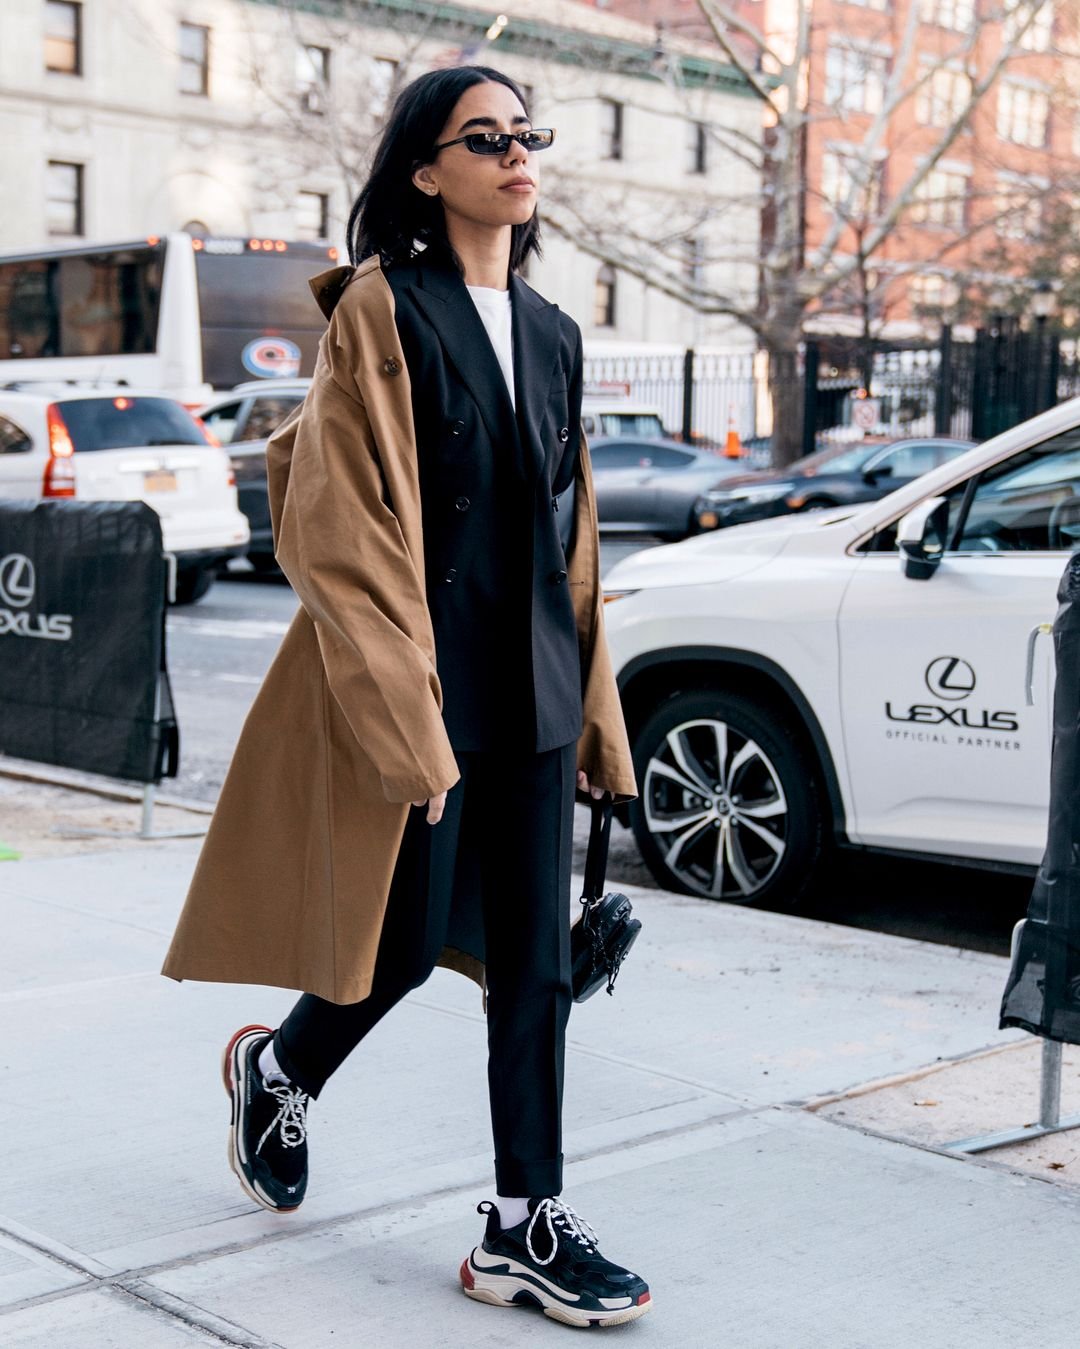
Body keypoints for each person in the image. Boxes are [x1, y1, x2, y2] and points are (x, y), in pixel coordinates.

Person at [162, 65, 651, 1329]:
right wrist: (403, 722)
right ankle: (279, 1067)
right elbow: (336, 528)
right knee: (396, 949)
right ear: (426, 172)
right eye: (484, 137)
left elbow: (572, 540)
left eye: (525, 134)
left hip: (535, 686)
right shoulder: (383, 312)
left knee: (536, 965)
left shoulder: (555, 332)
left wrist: (598, 717)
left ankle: (520, 1223)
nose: (516, 153)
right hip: (424, 691)